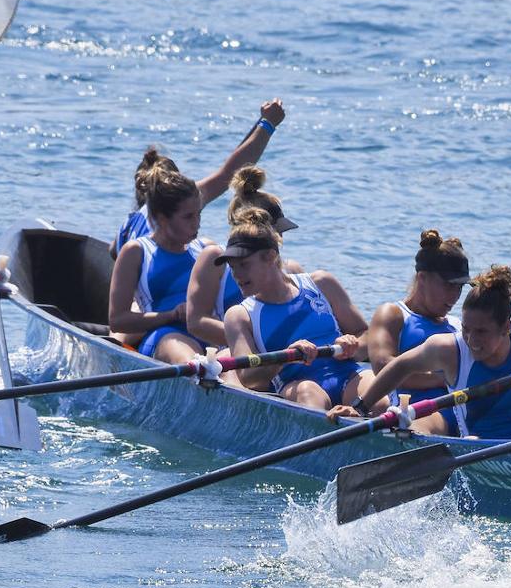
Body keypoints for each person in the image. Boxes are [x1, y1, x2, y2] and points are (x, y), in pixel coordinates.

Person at [330, 265, 511, 438]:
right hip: (481, 446)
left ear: (506, 327)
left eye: (481, 332)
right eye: (466, 329)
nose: (471, 339)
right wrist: (360, 408)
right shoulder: (448, 348)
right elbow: (398, 366)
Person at [221, 210, 380, 411]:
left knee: (378, 391)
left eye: (243, 264)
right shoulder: (239, 316)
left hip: (346, 373)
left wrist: (351, 344)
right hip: (297, 384)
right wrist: (286, 356)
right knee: (308, 393)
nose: (237, 274)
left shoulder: (322, 283)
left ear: (270, 256)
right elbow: (249, 379)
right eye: (232, 267)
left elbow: (365, 336)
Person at [112, 98, 286, 257]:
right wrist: (267, 125)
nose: (196, 222)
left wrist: (261, 123)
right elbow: (228, 173)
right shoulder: (176, 203)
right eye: (188, 216)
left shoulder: (129, 223)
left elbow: (112, 251)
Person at [186, 166, 299, 348]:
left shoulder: (292, 269)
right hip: (230, 354)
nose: (281, 237)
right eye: (278, 231)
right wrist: (254, 343)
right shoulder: (214, 258)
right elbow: (196, 322)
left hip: (282, 356)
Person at [108, 168, 209, 363]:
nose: (196, 223)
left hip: (207, 334)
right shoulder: (136, 252)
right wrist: (171, 315)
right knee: (188, 356)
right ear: (162, 218)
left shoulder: (205, 248)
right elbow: (117, 320)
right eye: (188, 217)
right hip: (164, 337)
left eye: (198, 214)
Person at [366, 230, 469, 404]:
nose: (455, 296)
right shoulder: (393, 314)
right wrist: (445, 378)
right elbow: (383, 365)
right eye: (448, 285)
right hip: (413, 415)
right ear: (422, 278)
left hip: (462, 411)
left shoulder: (457, 324)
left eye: (460, 287)